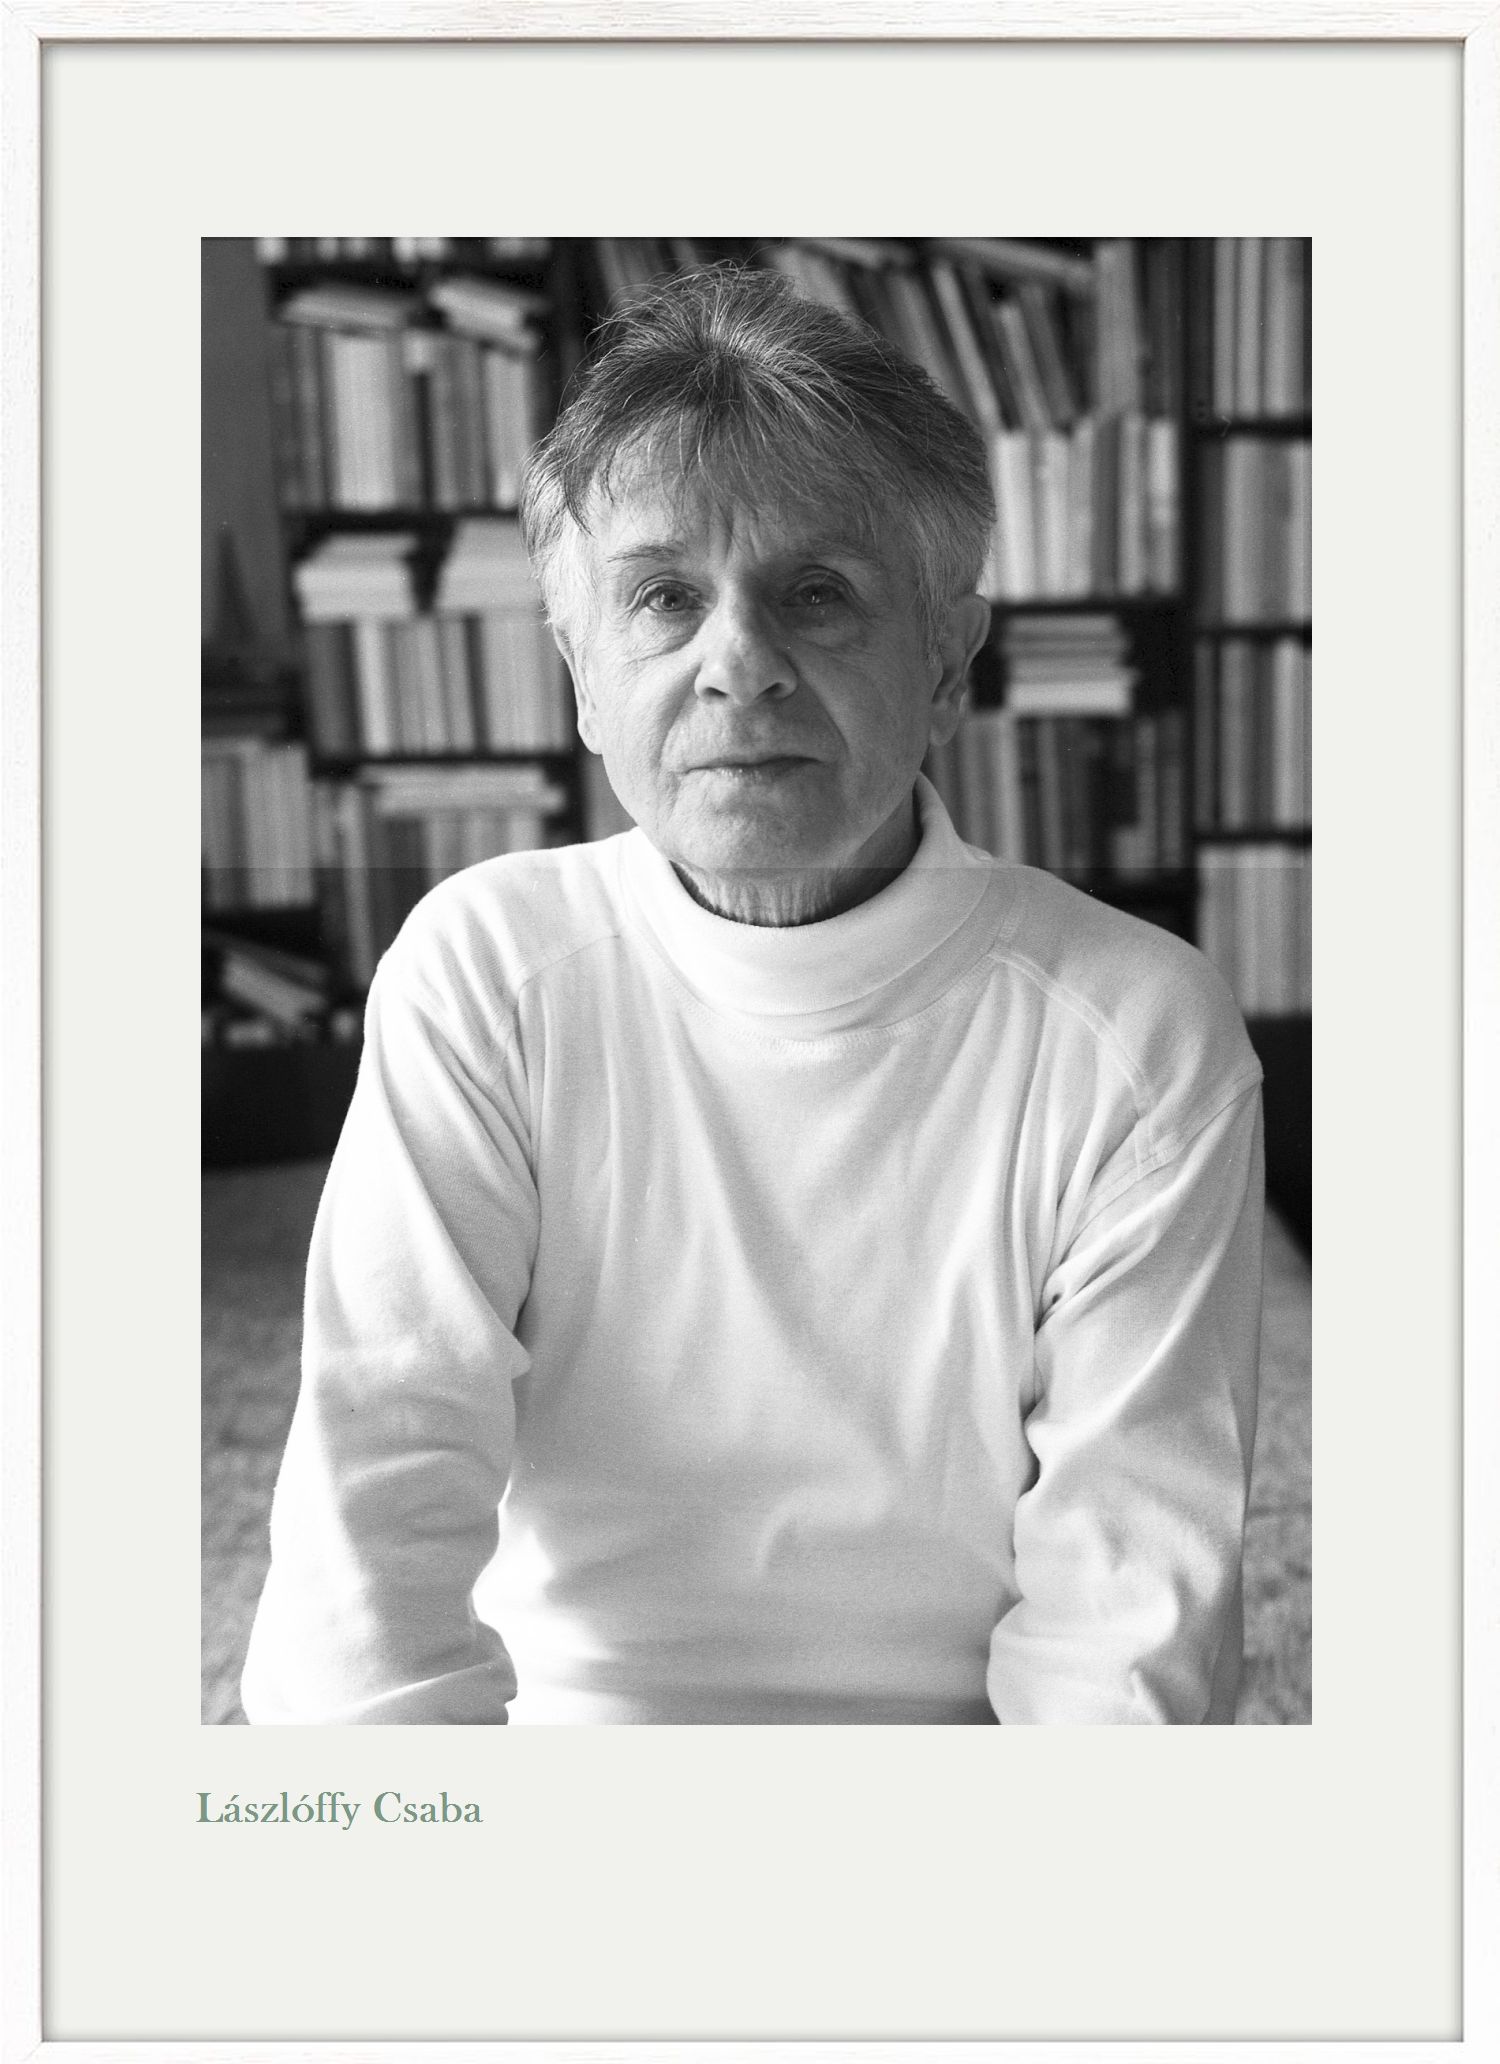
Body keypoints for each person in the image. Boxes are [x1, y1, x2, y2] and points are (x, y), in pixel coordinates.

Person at [242, 265, 1264, 1727]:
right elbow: (369, 1523)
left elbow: (1123, 1643)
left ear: (949, 663)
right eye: (663, 597)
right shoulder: (484, 974)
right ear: (581, 674)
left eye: (818, 594)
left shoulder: (1139, 1036)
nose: (740, 667)